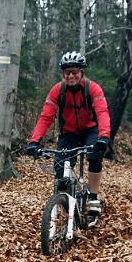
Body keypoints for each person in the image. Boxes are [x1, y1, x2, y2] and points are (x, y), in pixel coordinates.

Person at [26, 51, 111, 219]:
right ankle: (64, 203)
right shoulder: (58, 90)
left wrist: (104, 137)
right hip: (69, 133)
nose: (71, 75)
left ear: (81, 72)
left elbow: (102, 112)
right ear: (63, 74)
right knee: (60, 170)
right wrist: (34, 141)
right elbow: (46, 116)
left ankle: (93, 198)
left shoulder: (92, 88)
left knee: (95, 156)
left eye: (74, 72)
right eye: (67, 72)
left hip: (90, 130)